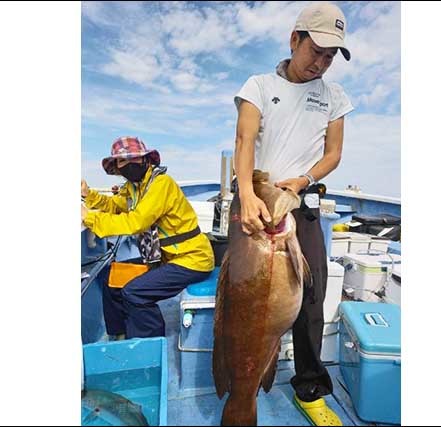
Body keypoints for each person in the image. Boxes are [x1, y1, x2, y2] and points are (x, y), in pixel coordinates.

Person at [232, 2, 354, 425]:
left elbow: (333, 154)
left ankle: (309, 389)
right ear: (294, 39)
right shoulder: (259, 85)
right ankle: (239, 381)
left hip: (299, 204)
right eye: (315, 50)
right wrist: (246, 193)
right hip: (256, 199)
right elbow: (244, 142)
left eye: (330, 56)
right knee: (240, 298)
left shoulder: (334, 96)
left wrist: (301, 181)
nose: (321, 63)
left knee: (311, 297)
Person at [82, 136, 214, 339]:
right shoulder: (134, 187)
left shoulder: (161, 184)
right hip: (164, 257)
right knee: (112, 281)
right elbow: (114, 206)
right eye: (122, 161)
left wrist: (88, 217)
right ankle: (119, 337)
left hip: (191, 259)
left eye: (133, 159)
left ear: (146, 160)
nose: (128, 165)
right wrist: (88, 195)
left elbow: (135, 222)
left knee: (135, 293)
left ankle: (150, 346)